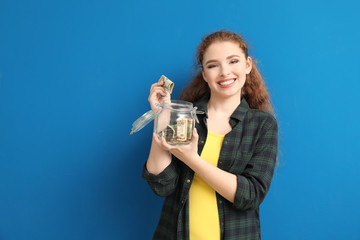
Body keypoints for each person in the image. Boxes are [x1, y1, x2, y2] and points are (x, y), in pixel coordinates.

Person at [142, 30, 278, 240]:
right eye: (213, 65)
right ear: (205, 74)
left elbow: (250, 195)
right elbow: (162, 184)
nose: (224, 72)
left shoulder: (262, 125)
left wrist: (192, 159)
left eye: (233, 61)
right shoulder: (185, 115)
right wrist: (162, 114)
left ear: (247, 65)